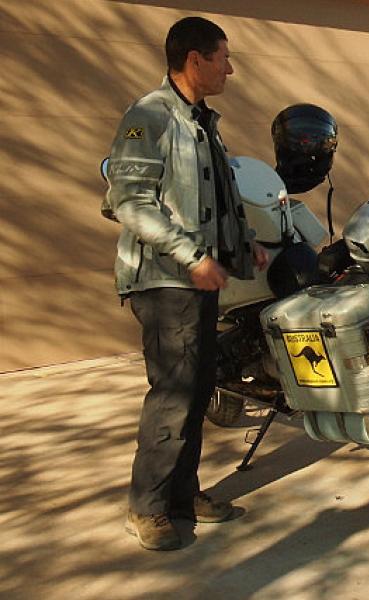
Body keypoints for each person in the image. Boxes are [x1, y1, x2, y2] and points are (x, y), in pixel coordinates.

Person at [104, 16, 268, 550]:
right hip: (163, 280)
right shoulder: (149, 117)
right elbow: (130, 200)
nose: (230, 68)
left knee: (197, 392)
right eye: (224, 57)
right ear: (194, 60)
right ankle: (146, 508)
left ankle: (182, 495)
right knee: (172, 395)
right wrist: (191, 255)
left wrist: (245, 246)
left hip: (195, 278)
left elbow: (213, 196)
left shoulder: (200, 120)